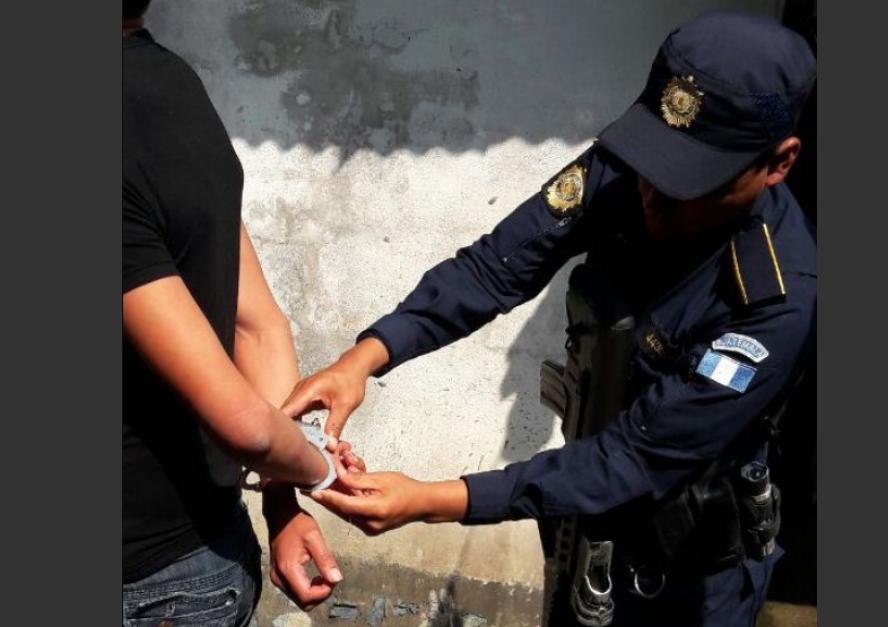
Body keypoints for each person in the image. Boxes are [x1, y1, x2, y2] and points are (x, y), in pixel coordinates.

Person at [282, 11, 816, 627]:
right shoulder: (629, 166)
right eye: (654, 161)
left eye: (690, 182)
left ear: (778, 164)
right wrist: (365, 358)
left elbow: (634, 460)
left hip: (686, 578)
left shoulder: (775, 299)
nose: (653, 194)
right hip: (579, 519)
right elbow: (495, 268)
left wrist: (435, 501)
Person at [122, 1, 360, 623]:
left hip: (143, 582)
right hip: (198, 560)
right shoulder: (174, 85)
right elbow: (257, 326)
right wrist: (287, 498)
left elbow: (247, 425)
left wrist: (315, 473)